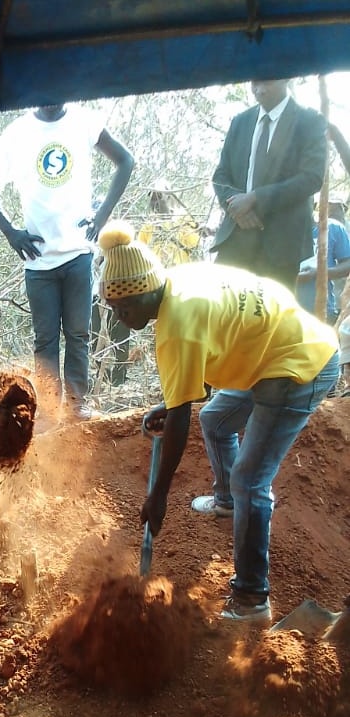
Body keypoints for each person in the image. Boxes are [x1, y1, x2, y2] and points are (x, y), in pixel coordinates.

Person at [98, 221, 339, 624]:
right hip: (264, 348)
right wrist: (173, 400)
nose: (120, 318)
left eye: (123, 309)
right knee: (214, 418)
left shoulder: (177, 326)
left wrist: (157, 497)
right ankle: (228, 503)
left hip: (298, 363)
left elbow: (178, 422)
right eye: (113, 309)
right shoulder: (173, 283)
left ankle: (251, 598)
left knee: (251, 479)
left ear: (144, 295)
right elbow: (198, 380)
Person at [0, 103, 134, 420]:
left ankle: (77, 404)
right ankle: (49, 409)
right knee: (45, 339)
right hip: (38, 260)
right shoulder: (17, 133)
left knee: (78, 333)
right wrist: (11, 233)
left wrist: (101, 216)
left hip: (78, 251)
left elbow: (126, 161)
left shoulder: (85, 121)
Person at [211, 79, 327, 289]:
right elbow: (220, 175)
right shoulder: (240, 122)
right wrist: (237, 207)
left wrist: (255, 198)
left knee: (270, 320)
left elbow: (311, 178)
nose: (260, 89)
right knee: (224, 317)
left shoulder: (309, 121)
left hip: (280, 249)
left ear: (287, 77)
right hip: (235, 241)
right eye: (255, 81)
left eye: (268, 81)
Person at [296, 195, 350, 324]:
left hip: (322, 312)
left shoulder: (333, 228)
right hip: (284, 311)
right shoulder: (278, 232)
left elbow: (348, 264)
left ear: (313, 206)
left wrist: (319, 273)